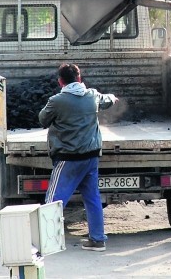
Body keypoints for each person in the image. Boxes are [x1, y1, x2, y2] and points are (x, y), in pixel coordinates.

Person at [39, 63, 118, 252]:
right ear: (80, 78)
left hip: (68, 159)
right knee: (92, 198)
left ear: (60, 81)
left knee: (54, 200)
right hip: (91, 157)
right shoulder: (92, 96)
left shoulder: (57, 101)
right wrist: (114, 98)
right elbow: (108, 100)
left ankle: (47, 243)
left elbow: (43, 120)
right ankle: (98, 240)